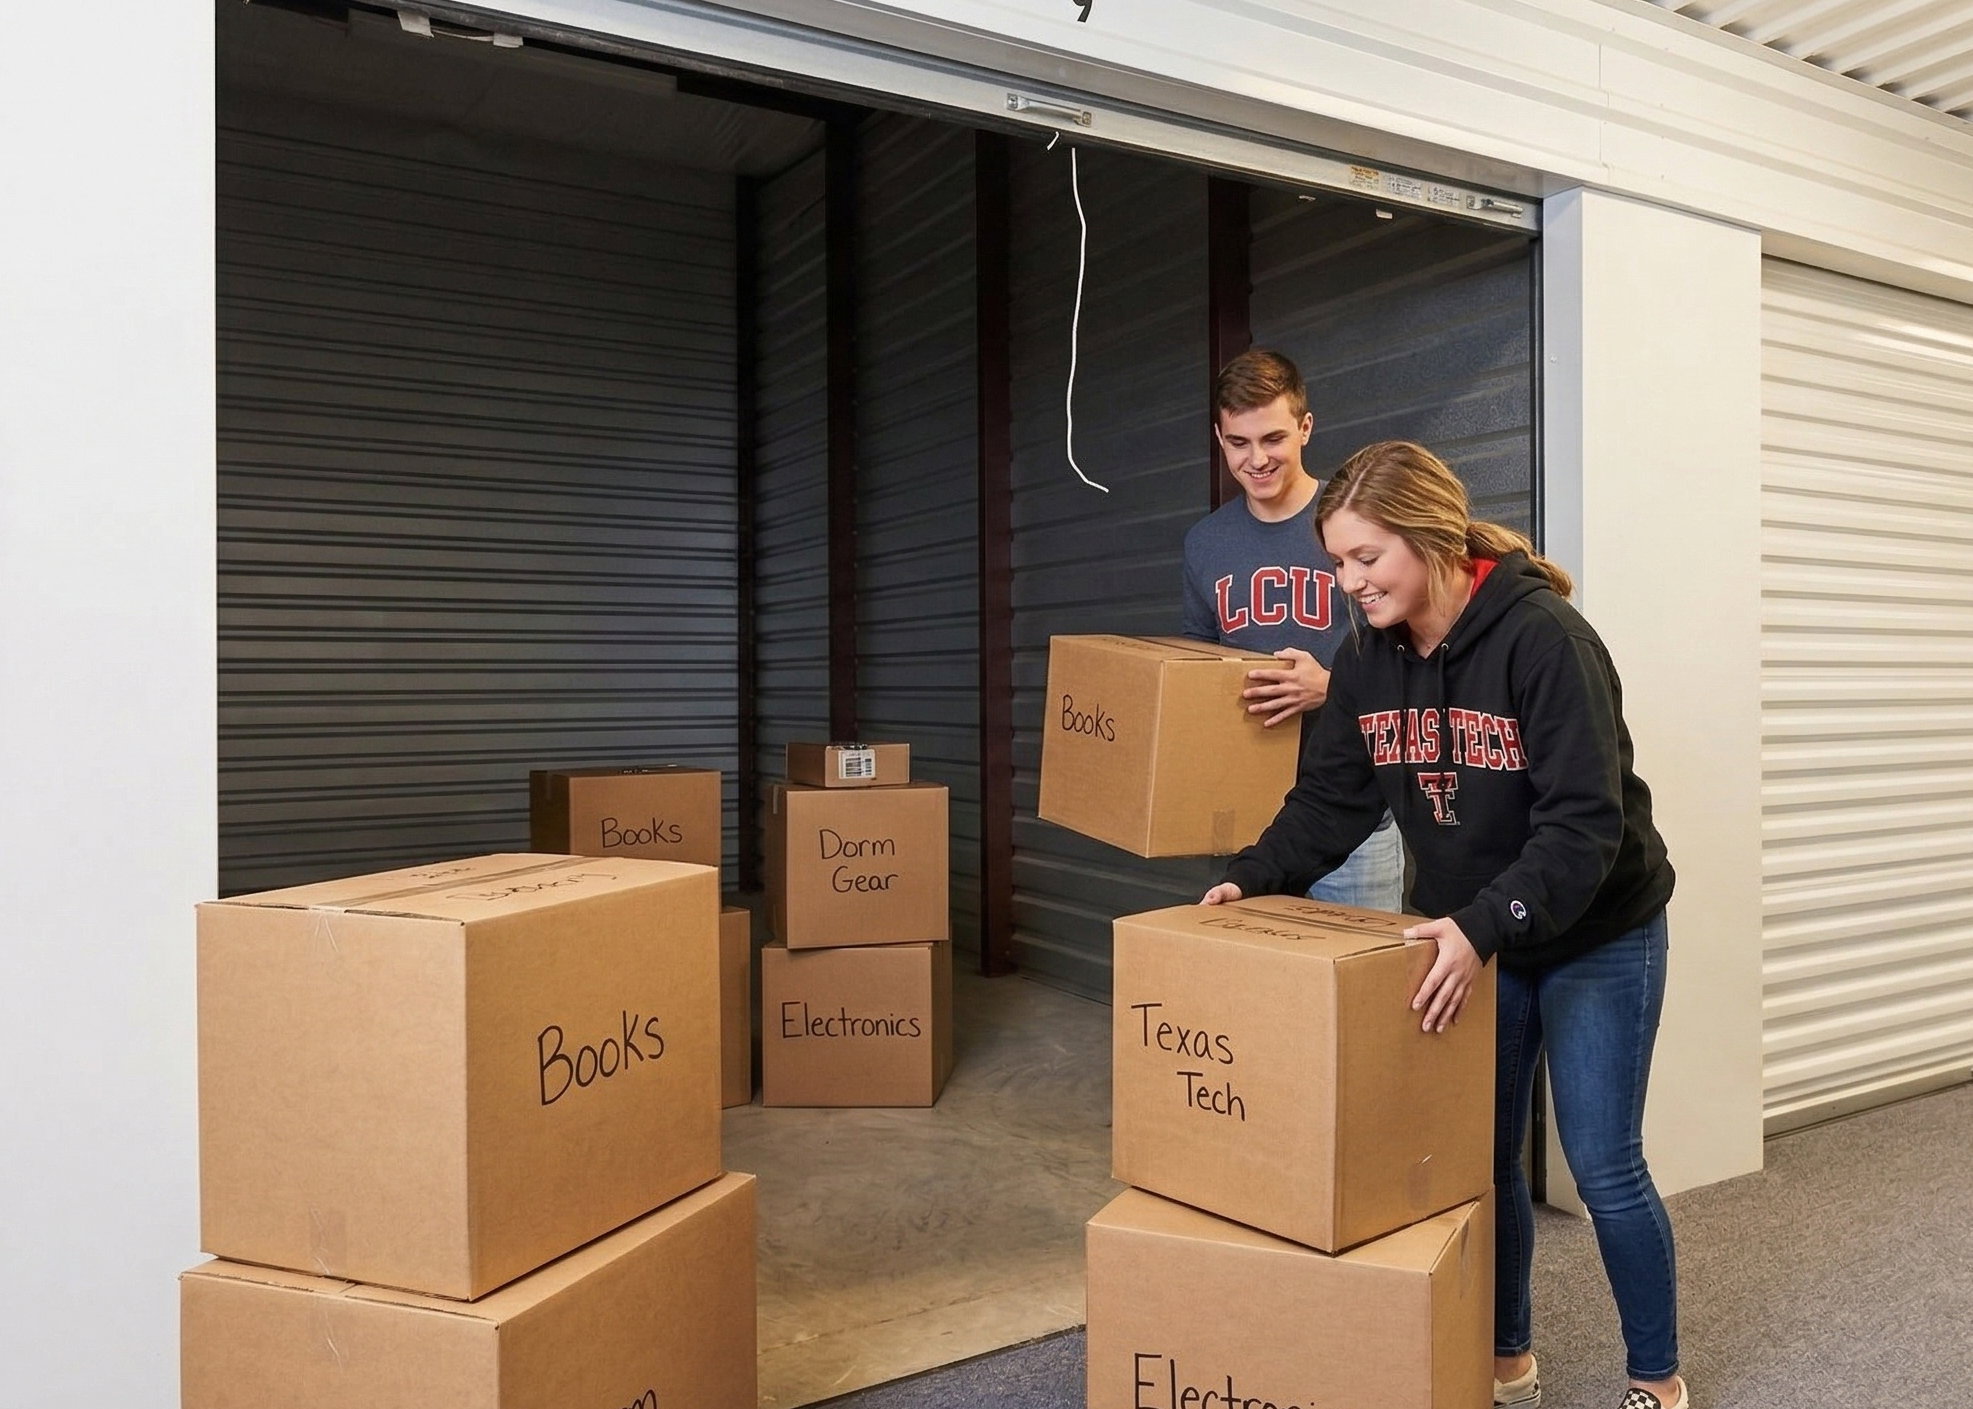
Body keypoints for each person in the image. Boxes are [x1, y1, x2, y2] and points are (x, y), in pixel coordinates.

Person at [1200, 440, 1686, 1409]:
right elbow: (1330, 800)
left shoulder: (1544, 640)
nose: (1347, 582)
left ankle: (1654, 1378)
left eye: (1364, 558)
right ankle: (1505, 1358)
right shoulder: (1367, 661)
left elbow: (1581, 826)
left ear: (1424, 539)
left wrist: (1477, 925)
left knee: (1601, 1161)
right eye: (1336, 561)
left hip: (1596, 930)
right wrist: (1249, 878)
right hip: (1473, 930)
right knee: (1482, 1157)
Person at [1181, 349, 1403, 910]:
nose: (1257, 459)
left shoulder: (1355, 522)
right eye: (1238, 442)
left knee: (1362, 993)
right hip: (1248, 819)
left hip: (1353, 813)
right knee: (1263, 995)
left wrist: (1332, 686)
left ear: (1305, 428)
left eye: (1273, 439)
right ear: (1219, 436)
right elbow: (1192, 672)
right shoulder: (1204, 543)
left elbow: (1416, 660)